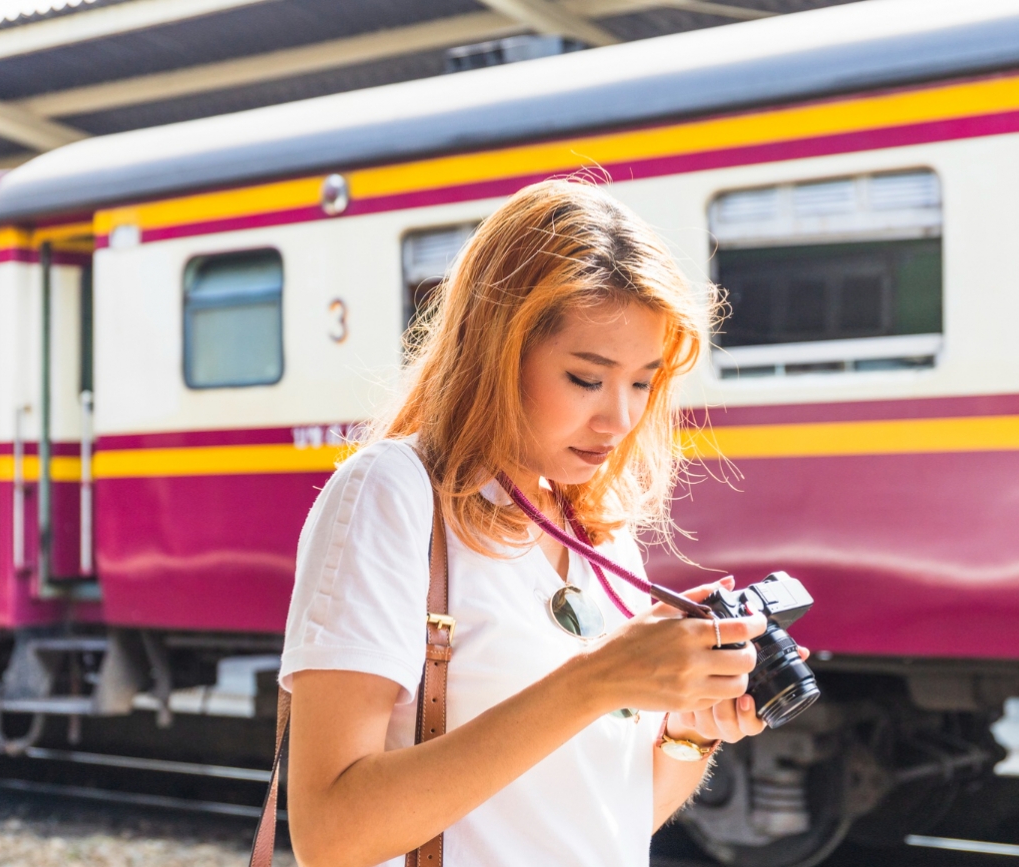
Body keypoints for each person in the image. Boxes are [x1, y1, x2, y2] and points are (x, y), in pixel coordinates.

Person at [279, 177, 801, 867]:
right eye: (586, 378)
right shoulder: (393, 492)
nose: (619, 418)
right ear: (496, 354)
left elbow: (608, 819)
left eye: (643, 381)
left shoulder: (594, 525)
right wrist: (595, 681)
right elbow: (330, 835)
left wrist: (687, 729)